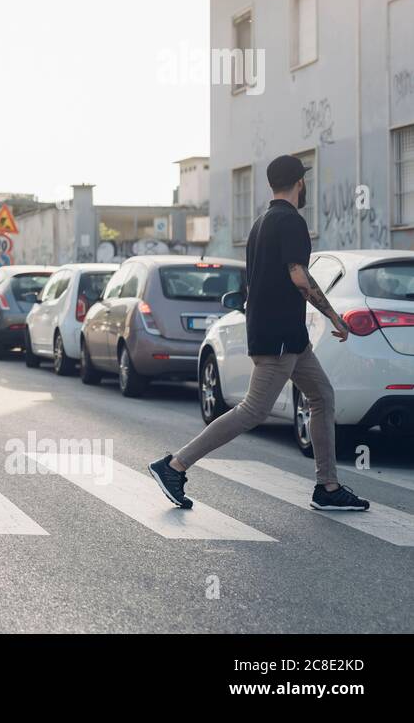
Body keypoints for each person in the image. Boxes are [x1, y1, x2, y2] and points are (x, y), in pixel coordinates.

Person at [148, 154, 369, 511]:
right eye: (305, 181)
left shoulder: (261, 222)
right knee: (253, 410)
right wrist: (333, 317)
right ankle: (174, 466)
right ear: (300, 183)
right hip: (280, 337)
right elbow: (299, 275)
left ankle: (327, 487)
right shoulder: (290, 221)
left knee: (322, 397)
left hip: (289, 337)